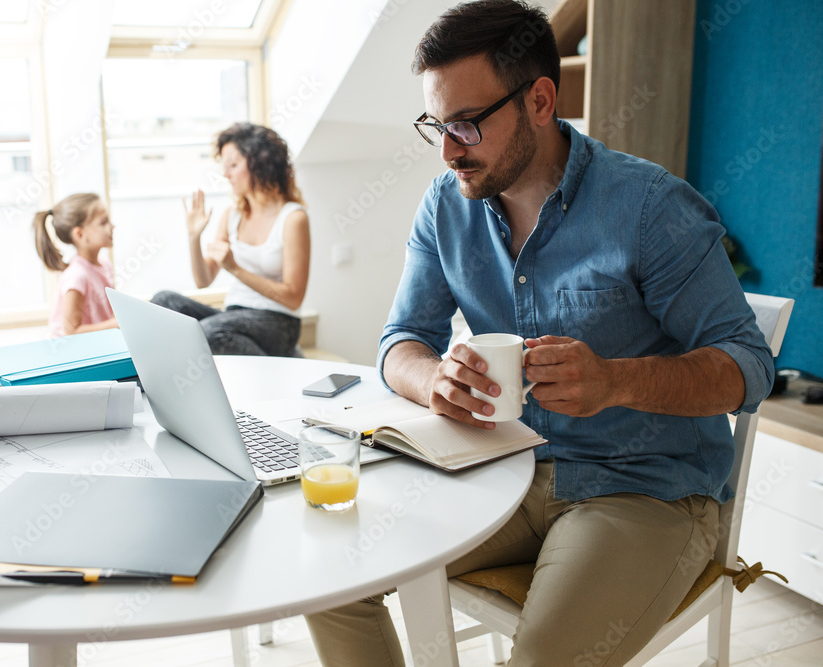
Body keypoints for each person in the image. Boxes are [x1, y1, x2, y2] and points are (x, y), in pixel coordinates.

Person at [305, 1, 774, 666]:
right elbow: (402, 339)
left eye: (465, 125)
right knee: (330, 575)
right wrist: (430, 377)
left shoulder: (650, 208)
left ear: (540, 101)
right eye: (436, 126)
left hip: (644, 487)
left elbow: (747, 366)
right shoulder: (447, 205)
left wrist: (616, 380)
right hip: (503, 472)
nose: (447, 151)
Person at [150, 123, 310, 356]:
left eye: (233, 165)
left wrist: (235, 269)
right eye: (225, 166)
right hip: (233, 315)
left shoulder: (292, 218)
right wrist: (194, 237)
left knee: (209, 332)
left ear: (260, 165)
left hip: (278, 323)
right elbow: (203, 280)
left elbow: (293, 297)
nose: (226, 174)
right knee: (162, 302)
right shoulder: (231, 216)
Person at [33, 193, 118, 337]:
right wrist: (116, 325)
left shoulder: (105, 266)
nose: (112, 226)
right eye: (104, 222)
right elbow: (71, 331)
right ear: (79, 234)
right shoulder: (77, 275)